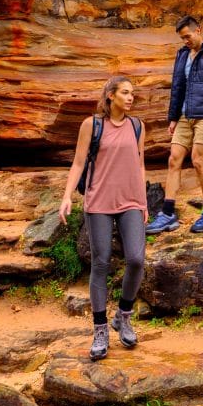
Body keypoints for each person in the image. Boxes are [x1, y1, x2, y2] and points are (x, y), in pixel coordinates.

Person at [60, 76, 147, 361]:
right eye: (125, 92)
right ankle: (100, 329)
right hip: (98, 203)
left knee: (136, 259)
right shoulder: (92, 125)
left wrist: (144, 202)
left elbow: (141, 164)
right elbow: (78, 163)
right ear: (110, 95)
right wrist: (66, 197)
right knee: (101, 262)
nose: (130, 97)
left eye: (132, 93)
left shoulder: (137, 126)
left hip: (131, 202)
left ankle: (123, 315)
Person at [146, 15, 203, 235]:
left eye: (188, 36)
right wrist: (173, 118)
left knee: (198, 160)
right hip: (185, 116)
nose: (185, 41)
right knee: (173, 159)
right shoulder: (183, 55)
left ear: (198, 30)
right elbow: (178, 88)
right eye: (182, 38)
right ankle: (167, 213)